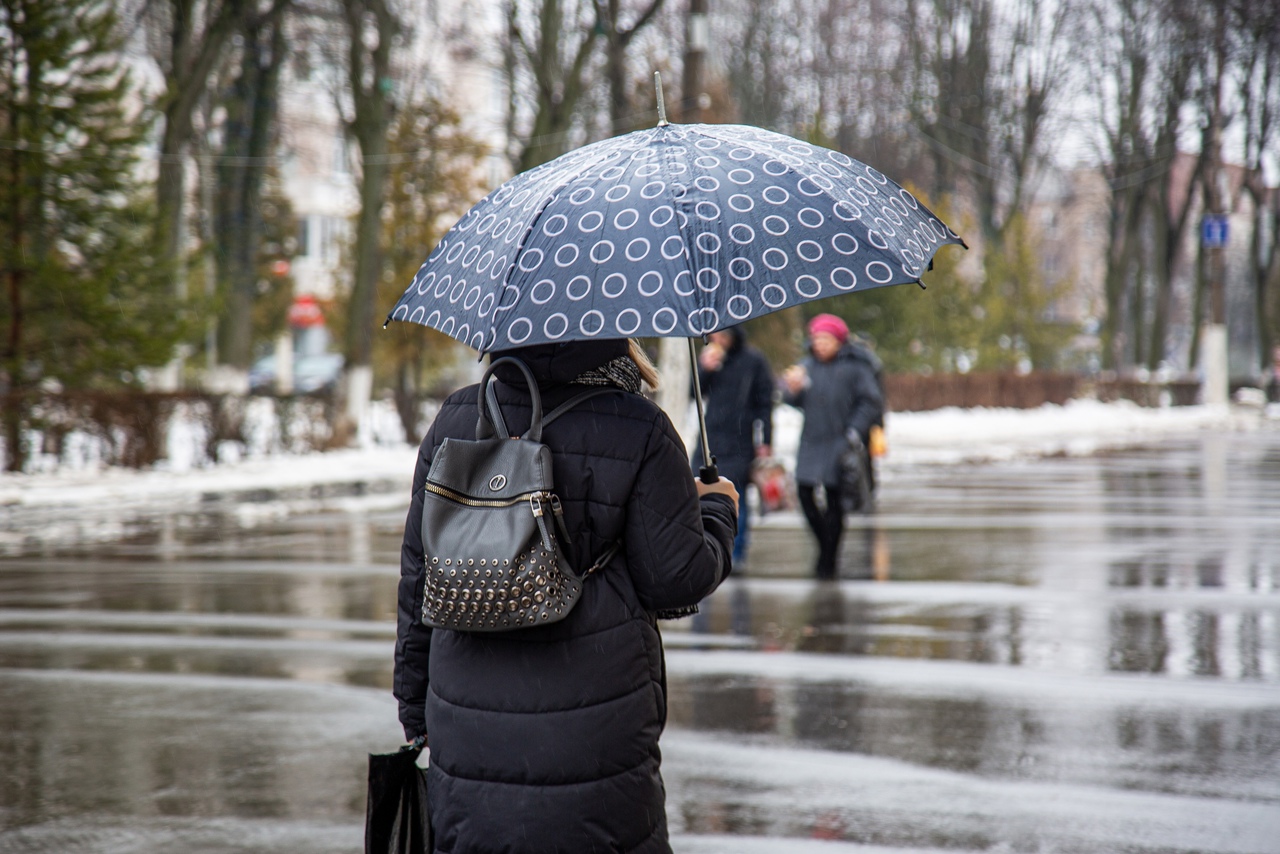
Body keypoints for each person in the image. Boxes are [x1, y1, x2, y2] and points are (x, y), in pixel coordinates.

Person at [394, 337, 738, 854]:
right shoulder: (639, 428)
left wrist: (414, 703)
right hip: (597, 713)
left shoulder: (457, 418)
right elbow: (675, 579)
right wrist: (715, 512)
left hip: (466, 711)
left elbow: (419, 572)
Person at [782, 314, 884, 580]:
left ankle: (829, 558)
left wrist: (854, 430)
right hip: (812, 441)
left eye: (826, 339)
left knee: (834, 498)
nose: (820, 345)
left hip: (840, 441)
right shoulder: (807, 367)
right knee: (804, 493)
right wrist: (791, 390)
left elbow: (871, 401)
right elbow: (793, 400)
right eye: (816, 339)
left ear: (839, 341)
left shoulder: (856, 367)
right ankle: (825, 547)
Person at [690, 325, 774, 567]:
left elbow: (765, 404)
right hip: (710, 437)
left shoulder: (754, 361)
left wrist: (766, 441)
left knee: (736, 497)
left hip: (740, 439)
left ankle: (736, 553)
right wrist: (704, 369)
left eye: (725, 335)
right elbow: (693, 393)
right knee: (700, 493)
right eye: (716, 335)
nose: (719, 340)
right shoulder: (711, 359)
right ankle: (704, 548)